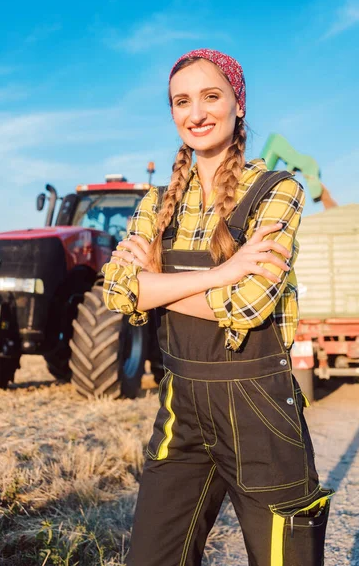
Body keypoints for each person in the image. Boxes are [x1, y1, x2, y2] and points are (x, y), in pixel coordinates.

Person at [102, 49, 333, 566]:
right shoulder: (154, 204)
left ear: (238, 104)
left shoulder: (279, 190)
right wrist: (223, 272)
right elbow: (117, 290)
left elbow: (248, 304)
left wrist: (154, 285)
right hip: (180, 405)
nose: (197, 113)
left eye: (211, 96)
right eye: (182, 101)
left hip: (259, 410)